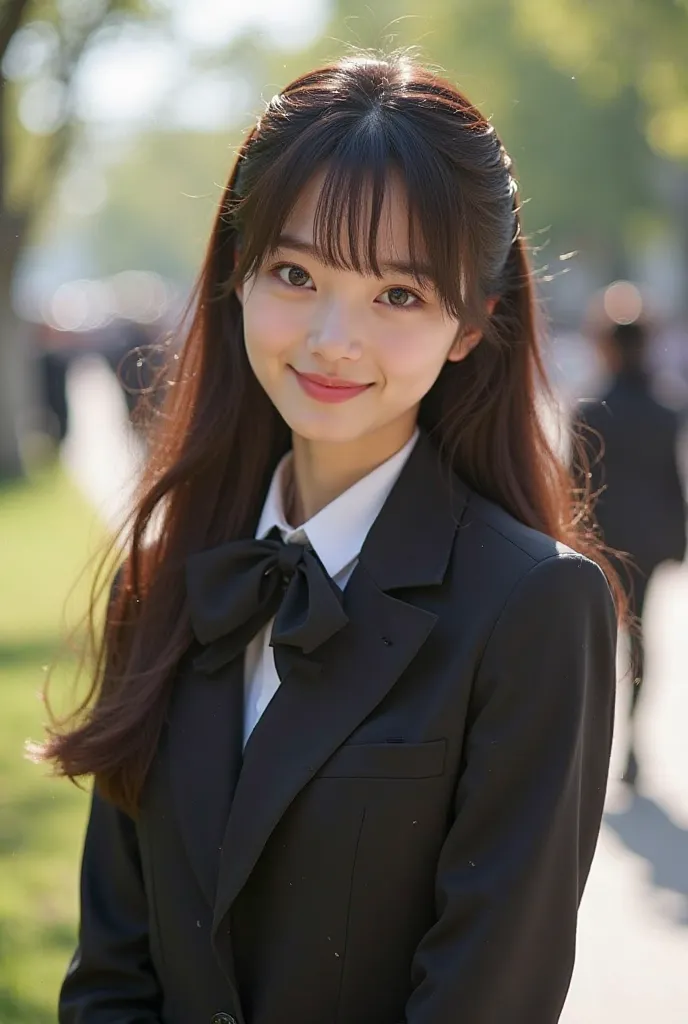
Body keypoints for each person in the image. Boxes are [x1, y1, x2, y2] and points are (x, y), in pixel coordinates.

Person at [36, 53, 621, 1024]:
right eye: (296, 273)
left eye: (397, 293)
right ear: (238, 275)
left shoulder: (534, 608)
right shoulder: (166, 577)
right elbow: (111, 973)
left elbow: (484, 999)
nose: (331, 339)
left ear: (473, 320)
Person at [573, 307, 686, 788]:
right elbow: (672, 481)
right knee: (639, 640)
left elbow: (572, 486)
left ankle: (598, 743)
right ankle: (632, 742)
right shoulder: (665, 410)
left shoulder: (591, 411)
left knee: (597, 644)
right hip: (651, 538)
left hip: (600, 541)